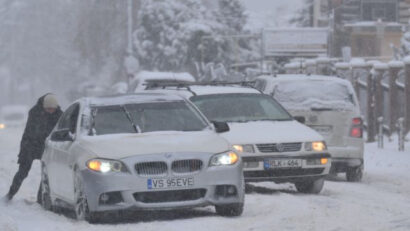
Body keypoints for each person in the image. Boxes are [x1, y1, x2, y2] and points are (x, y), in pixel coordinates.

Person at [4, 93, 63, 202]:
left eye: (52, 109)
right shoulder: (35, 112)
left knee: (47, 173)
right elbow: (31, 132)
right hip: (30, 145)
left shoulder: (59, 114)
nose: (51, 111)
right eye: (48, 109)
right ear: (44, 107)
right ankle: (10, 194)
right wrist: (24, 150)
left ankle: (40, 199)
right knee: (23, 171)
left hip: (47, 146)